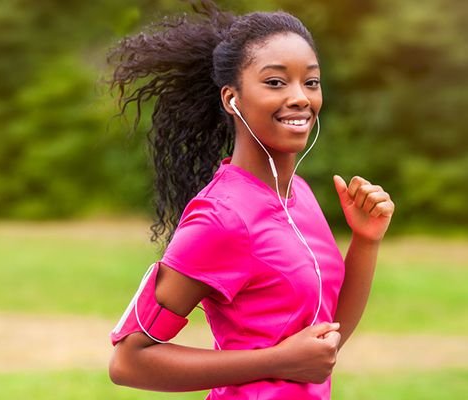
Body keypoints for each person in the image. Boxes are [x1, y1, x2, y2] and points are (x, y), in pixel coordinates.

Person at [106, 1, 395, 399]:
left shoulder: (301, 197)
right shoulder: (221, 217)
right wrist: (275, 361)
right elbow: (129, 361)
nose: (300, 98)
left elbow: (323, 346)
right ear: (231, 98)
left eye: (310, 82)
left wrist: (366, 241)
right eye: (275, 82)